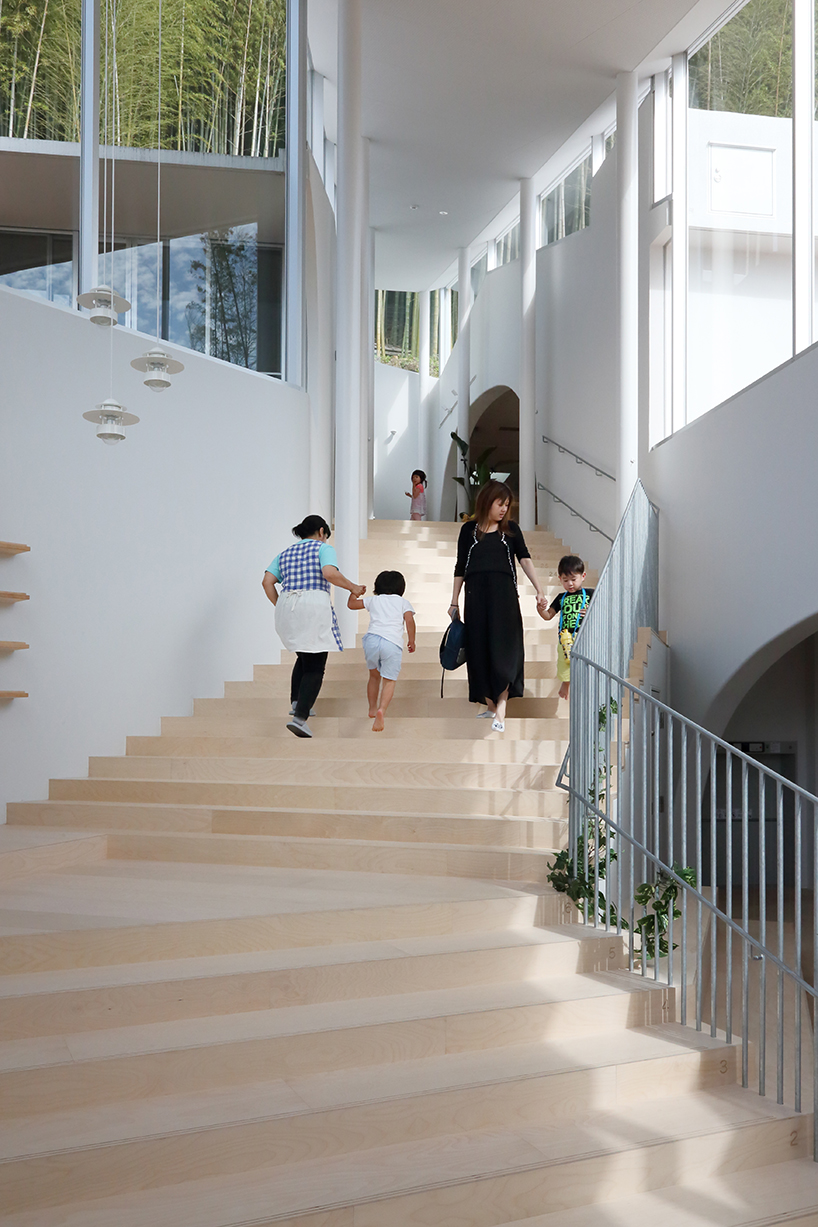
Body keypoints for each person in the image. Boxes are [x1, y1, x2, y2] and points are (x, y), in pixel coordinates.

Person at [448, 480, 548, 732]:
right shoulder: (468, 530)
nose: (503, 509)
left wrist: (539, 589)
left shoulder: (510, 530)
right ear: (486, 501)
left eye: (506, 505)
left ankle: (501, 708)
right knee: (479, 649)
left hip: (503, 598)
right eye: (499, 504)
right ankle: (491, 705)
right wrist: (454, 601)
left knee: (505, 652)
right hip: (476, 597)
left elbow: (524, 559)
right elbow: (461, 566)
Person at [262, 515, 365, 738]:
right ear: (321, 532)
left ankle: (298, 701)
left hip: (287, 606)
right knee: (316, 664)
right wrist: (353, 587)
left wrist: (281, 605)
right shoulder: (322, 548)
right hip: (312, 605)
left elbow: (267, 582)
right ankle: (300, 718)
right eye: (325, 536)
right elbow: (329, 573)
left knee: (304, 655)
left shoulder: (285, 553)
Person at [348, 570, 416, 731]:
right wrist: (412, 640)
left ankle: (371, 708)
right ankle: (381, 710)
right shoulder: (403, 602)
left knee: (373, 676)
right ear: (401, 587)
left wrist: (354, 592)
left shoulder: (373, 600)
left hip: (372, 640)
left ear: (377, 586)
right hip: (391, 643)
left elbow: (351, 605)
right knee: (389, 679)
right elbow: (409, 621)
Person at [538, 554, 594, 701]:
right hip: (565, 637)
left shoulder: (590, 594)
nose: (570, 583)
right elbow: (548, 615)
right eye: (565, 580)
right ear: (560, 579)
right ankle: (566, 682)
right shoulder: (561, 597)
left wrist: (591, 612)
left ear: (583, 576)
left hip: (584, 636)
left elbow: (603, 611)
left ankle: (581, 684)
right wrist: (540, 609)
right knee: (564, 662)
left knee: (584, 662)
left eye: (573, 579)